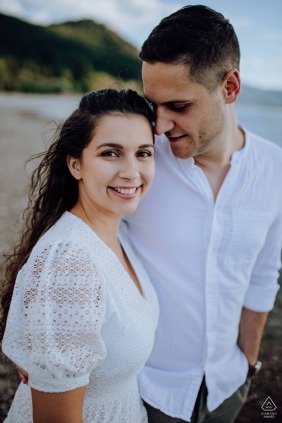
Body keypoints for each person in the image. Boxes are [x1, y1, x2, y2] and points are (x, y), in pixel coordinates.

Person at [124, 5, 282, 423]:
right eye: (153, 105)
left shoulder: (276, 169)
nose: (159, 126)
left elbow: (264, 275)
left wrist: (247, 362)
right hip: (145, 390)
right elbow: (73, 237)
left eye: (178, 105)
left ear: (230, 86)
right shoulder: (137, 165)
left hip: (227, 388)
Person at [0, 88, 159, 423]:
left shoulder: (118, 234)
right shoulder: (70, 263)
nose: (132, 172)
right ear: (75, 164)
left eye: (143, 153)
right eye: (111, 153)